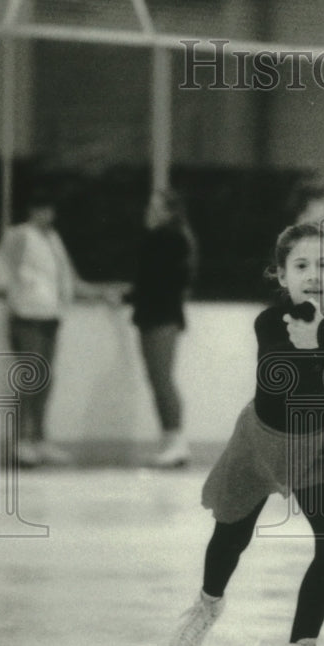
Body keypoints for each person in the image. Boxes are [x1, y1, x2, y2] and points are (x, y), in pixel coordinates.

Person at [168, 222, 324, 646]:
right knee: (231, 536)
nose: (313, 275)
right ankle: (208, 603)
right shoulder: (270, 321)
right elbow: (282, 376)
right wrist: (323, 342)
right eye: (301, 266)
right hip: (260, 443)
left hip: (316, 446)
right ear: (281, 276)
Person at [0, 192, 112, 467]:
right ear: (31, 211)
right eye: (40, 209)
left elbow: (70, 281)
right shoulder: (20, 235)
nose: (45, 215)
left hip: (50, 316)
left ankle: (39, 438)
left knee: (45, 379)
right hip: (26, 316)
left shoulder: (53, 239)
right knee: (29, 378)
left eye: (49, 209)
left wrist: (102, 292)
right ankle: (20, 442)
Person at [125, 189, 197, 468]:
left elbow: (153, 281)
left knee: (162, 379)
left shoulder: (166, 238)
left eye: (154, 207)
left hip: (160, 316)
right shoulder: (172, 239)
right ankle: (170, 440)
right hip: (157, 315)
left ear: (168, 211)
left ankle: (176, 440)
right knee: (158, 379)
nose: (148, 211)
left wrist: (127, 296)